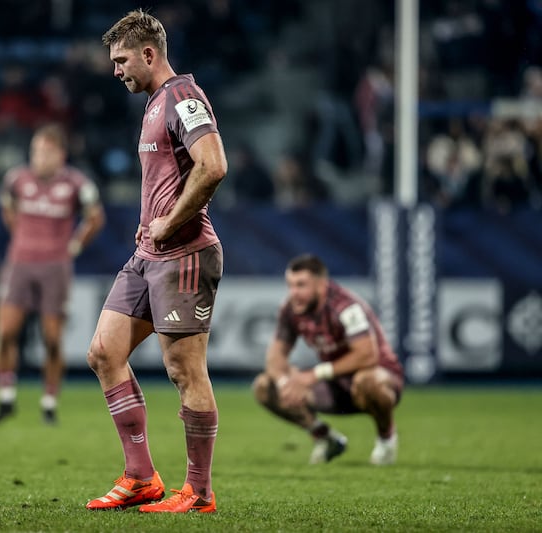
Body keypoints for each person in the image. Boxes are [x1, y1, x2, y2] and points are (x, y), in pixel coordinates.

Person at [85, 9, 227, 514]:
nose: (116, 70)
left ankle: (199, 493)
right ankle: (142, 476)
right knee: (103, 352)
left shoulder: (183, 97)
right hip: (147, 257)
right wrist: (152, 222)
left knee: (185, 370)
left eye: (121, 60)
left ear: (149, 54)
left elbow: (213, 165)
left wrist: (168, 222)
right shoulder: (152, 104)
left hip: (185, 254)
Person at [0, 123, 105, 425]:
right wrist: (22, 238)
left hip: (55, 267)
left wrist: (75, 245)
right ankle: (5, 396)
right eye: (36, 151)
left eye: (46, 152)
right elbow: (6, 208)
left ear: (60, 155)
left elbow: (95, 218)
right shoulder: (16, 179)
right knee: (5, 332)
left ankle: (50, 401)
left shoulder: (77, 184)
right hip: (20, 263)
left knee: (52, 338)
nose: (39, 157)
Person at [252, 254, 404, 466]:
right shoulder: (291, 309)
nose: (294, 293)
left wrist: (313, 375)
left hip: (378, 379)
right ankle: (325, 438)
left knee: (368, 381)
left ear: (321, 285)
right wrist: (285, 383)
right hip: (336, 385)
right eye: (290, 285)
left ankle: (386, 439)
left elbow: (367, 355)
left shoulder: (345, 306)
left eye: (301, 285)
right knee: (264, 386)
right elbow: (275, 356)